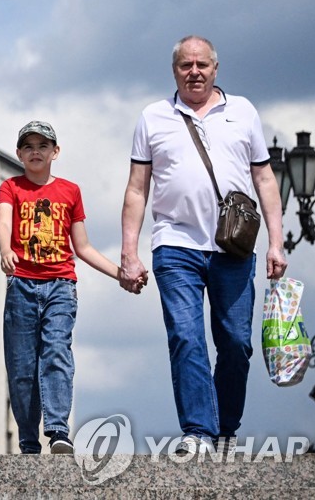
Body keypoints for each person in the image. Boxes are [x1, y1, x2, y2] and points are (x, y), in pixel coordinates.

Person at [119, 35, 286, 455]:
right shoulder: (153, 118)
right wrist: (129, 252)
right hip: (175, 245)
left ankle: (225, 427)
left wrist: (276, 243)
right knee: (186, 337)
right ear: (174, 71)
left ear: (215, 68)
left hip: (234, 249)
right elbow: (138, 189)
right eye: (185, 65)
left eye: (202, 65)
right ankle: (198, 431)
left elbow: (265, 179)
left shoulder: (243, 111)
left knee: (235, 343)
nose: (194, 72)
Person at [0, 120, 145, 455]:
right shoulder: (11, 187)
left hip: (60, 286)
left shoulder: (70, 191)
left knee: (56, 353)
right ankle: (28, 441)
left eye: (43, 146)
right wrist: (6, 249)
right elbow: (4, 220)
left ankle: (58, 430)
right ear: (19, 153)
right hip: (21, 286)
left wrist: (120, 274)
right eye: (29, 147)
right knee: (22, 369)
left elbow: (84, 247)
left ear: (55, 151)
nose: (36, 152)